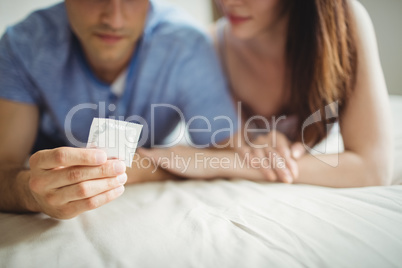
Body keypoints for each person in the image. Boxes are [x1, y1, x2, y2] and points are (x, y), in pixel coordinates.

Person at [0, 0, 239, 219]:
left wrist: (141, 168)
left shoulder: (186, 45)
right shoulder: (22, 46)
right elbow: (4, 167)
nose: (114, 20)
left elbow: (228, 156)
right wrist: (30, 192)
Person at [143, 0, 393, 188]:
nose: (229, 2)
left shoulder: (344, 22)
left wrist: (228, 163)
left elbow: (373, 169)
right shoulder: (205, 48)